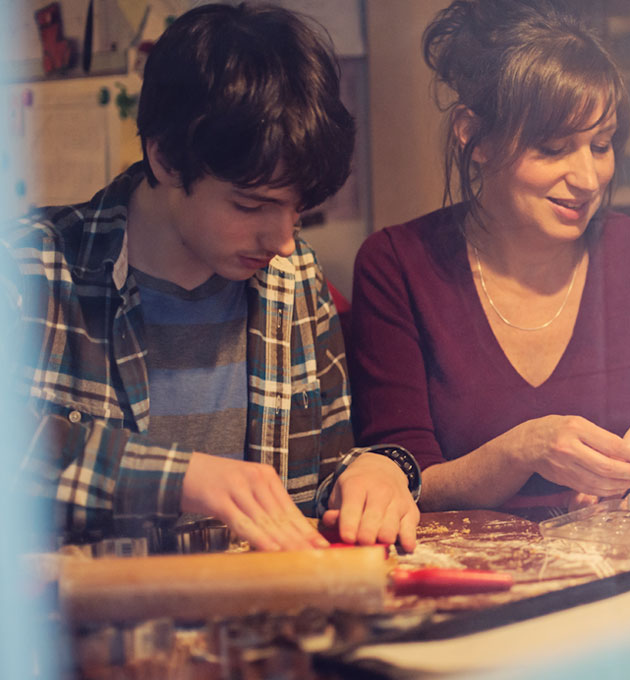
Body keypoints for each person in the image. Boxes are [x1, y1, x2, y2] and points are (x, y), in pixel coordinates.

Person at [2, 3, 420, 552]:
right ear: (166, 159)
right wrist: (178, 477)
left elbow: (322, 478)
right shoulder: (32, 267)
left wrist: (377, 473)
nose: (283, 240)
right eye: (251, 206)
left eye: (298, 210)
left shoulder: (294, 279)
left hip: (259, 630)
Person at [349, 0, 630, 515]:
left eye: (601, 145)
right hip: (470, 581)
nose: (588, 179)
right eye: (553, 148)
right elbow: (403, 480)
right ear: (472, 136)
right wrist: (523, 450)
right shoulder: (397, 265)